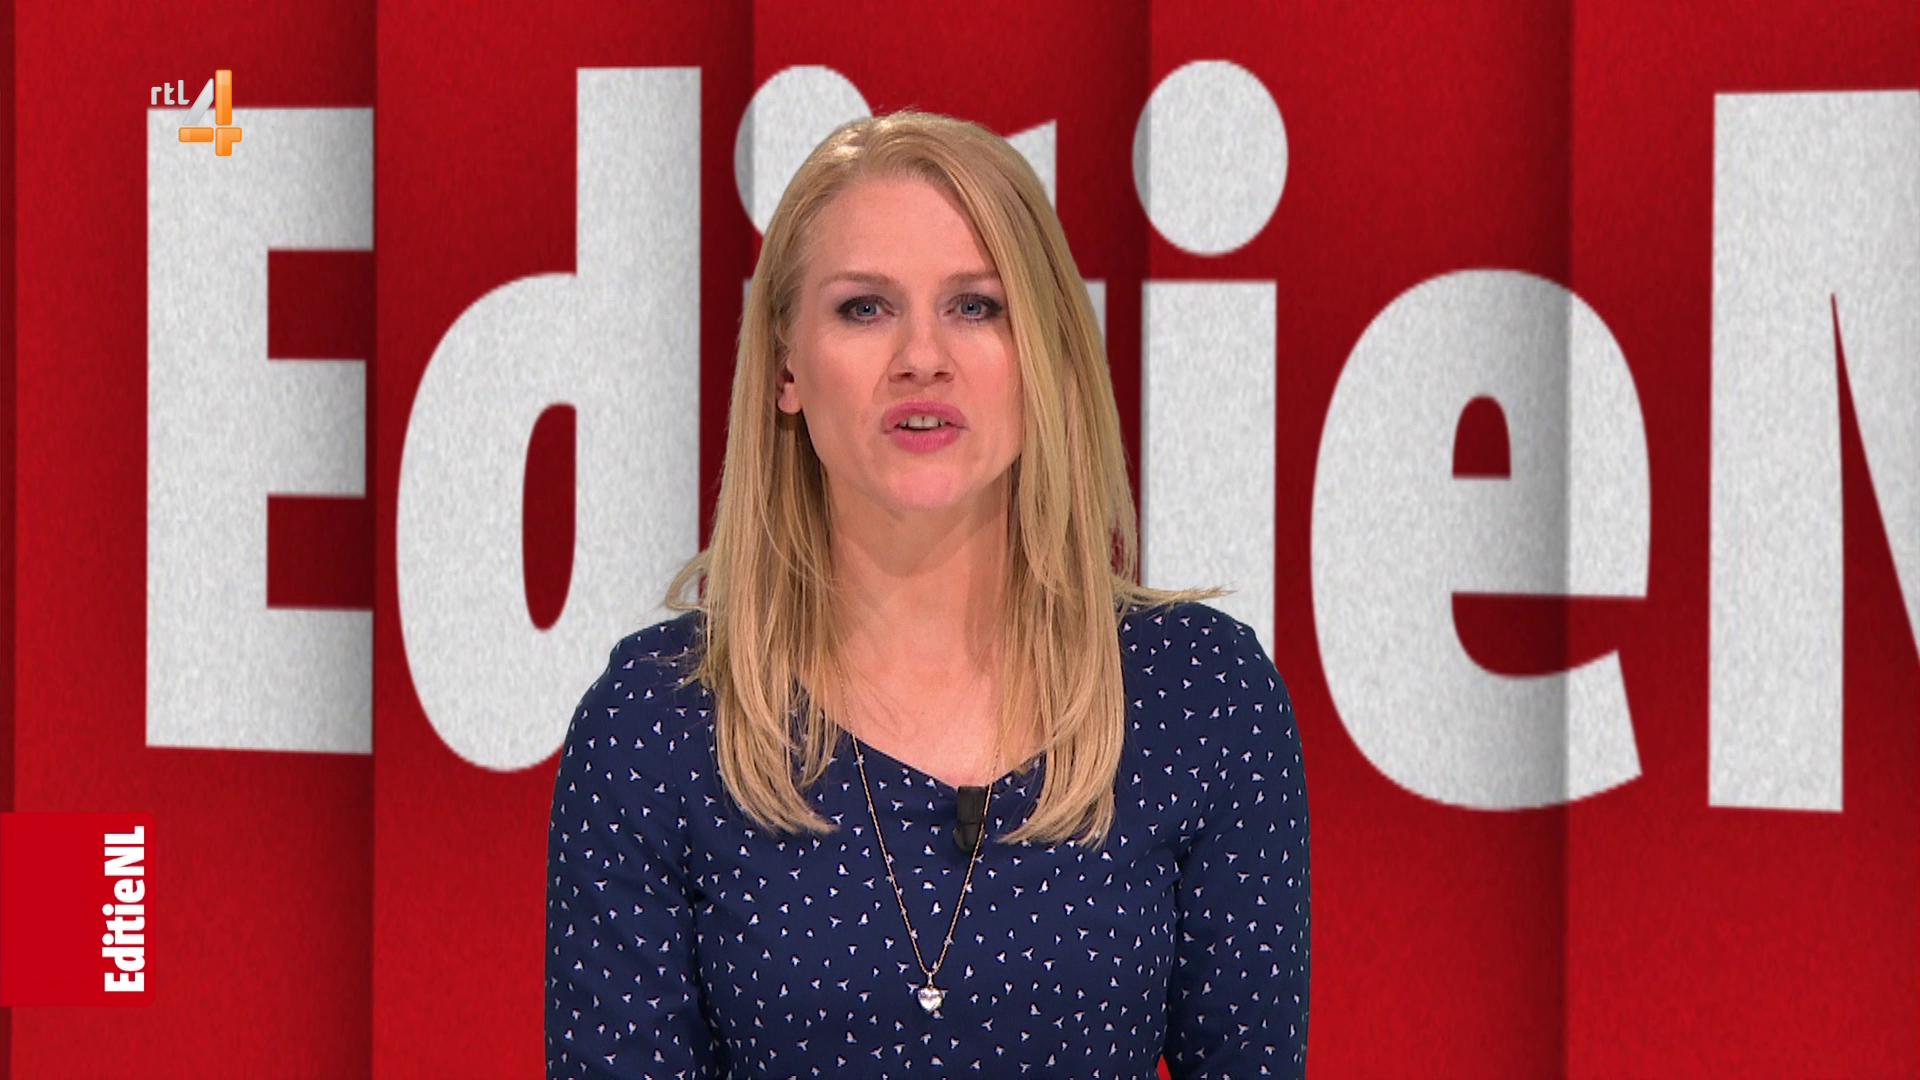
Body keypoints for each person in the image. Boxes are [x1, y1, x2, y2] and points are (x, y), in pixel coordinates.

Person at [545, 108, 1309, 1078]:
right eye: (865, 308)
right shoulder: (657, 723)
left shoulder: (1201, 693)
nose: (921, 355)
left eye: (976, 307)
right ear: (785, 367)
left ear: (1045, 352)